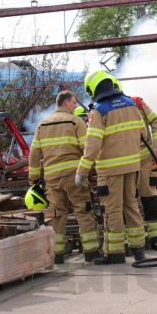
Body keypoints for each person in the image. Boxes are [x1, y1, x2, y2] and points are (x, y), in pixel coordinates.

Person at [76, 70, 146, 265]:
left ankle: (114, 253)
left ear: (93, 88)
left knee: (111, 210)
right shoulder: (131, 104)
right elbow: (143, 134)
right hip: (132, 166)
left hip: (110, 170)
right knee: (131, 205)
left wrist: (82, 170)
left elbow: (92, 144)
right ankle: (139, 249)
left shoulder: (98, 110)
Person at [29, 90, 99, 263]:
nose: (76, 106)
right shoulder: (75, 121)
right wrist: (94, 169)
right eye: (74, 102)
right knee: (83, 211)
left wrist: (34, 178)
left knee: (56, 215)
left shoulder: (42, 125)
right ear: (66, 103)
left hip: (52, 179)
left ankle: (57, 255)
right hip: (74, 177)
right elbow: (87, 148)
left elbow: (34, 154)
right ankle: (90, 252)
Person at [130, 95, 157, 251]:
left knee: (149, 198)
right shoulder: (105, 108)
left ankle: (156, 237)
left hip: (144, 158)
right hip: (124, 161)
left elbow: (156, 121)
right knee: (127, 202)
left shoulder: (137, 102)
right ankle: (134, 240)